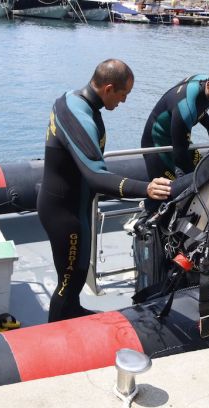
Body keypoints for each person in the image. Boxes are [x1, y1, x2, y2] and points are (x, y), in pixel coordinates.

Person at [38, 59, 172, 323]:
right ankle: (54, 336)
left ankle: (73, 313)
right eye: (124, 94)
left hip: (75, 206)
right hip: (64, 212)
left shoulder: (74, 100)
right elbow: (97, 178)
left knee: (76, 278)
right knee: (68, 283)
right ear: (109, 88)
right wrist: (145, 188)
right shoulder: (79, 117)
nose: (124, 101)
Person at [141, 67, 209, 180]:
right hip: (158, 146)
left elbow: (199, 110)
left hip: (178, 137)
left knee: (202, 171)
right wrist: (194, 179)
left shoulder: (206, 83)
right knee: (167, 193)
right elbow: (180, 156)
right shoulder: (186, 108)